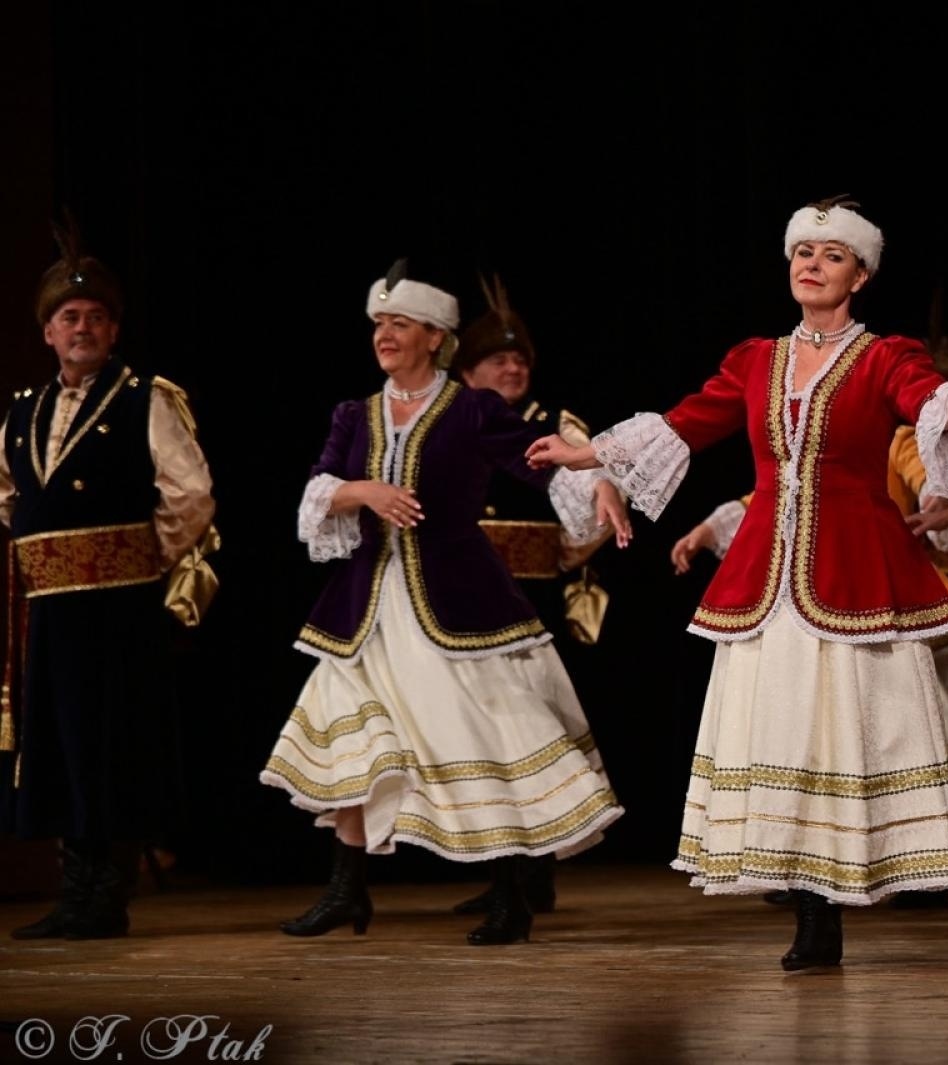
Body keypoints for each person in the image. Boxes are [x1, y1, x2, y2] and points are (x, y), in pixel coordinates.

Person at [528, 198, 948, 970]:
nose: (811, 264)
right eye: (802, 252)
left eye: (830, 254)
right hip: (769, 571)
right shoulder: (757, 358)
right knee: (780, 726)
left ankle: (851, 883)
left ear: (860, 273)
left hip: (856, 568)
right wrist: (585, 455)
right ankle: (809, 909)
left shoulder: (885, 355)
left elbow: (927, 399)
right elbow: (688, 421)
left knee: (850, 728)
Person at [261, 260, 623, 946]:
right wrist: (364, 492)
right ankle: (346, 888)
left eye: (400, 324)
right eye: (378, 324)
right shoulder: (354, 414)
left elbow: (540, 459)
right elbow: (318, 493)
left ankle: (513, 891)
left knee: (484, 736)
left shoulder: (472, 409)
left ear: (435, 336)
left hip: (459, 603)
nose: (384, 335)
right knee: (357, 739)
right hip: (366, 608)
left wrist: (598, 482)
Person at [670, 422, 948, 907]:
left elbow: (927, 477)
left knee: (924, 728)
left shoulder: (893, 437)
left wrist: (933, 498)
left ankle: (940, 858)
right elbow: (763, 499)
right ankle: (815, 865)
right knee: (829, 735)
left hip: (892, 594)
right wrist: (706, 530)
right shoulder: (804, 443)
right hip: (819, 599)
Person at [2, 223, 217, 939]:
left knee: (111, 742)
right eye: (69, 318)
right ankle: (74, 888)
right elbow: (10, 494)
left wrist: (136, 556)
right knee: (58, 741)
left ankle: (109, 892)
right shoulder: (22, 410)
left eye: (96, 317)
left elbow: (190, 492)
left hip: (119, 607)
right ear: (48, 332)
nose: (82, 327)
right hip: (52, 610)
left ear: (115, 327)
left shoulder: (143, 397)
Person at [448, 274, 629, 919]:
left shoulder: (554, 427)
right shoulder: (449, 423)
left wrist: (554, 556)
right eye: (499, 359)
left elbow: (598, 504)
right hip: (457, 602)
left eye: (521, 358)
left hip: (528, 604)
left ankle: (535, 873)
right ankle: (503, 868)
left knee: (533, 734)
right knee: (478, 737)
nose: (514, 366)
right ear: (466, 371)